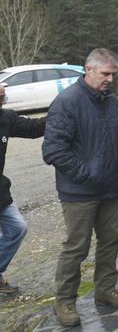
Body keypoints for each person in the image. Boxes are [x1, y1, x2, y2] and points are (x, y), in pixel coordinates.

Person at [42, 48, 118, 327]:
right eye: (105, 74)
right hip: (79, 192)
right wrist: (88, 174)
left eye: (113, 75)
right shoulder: (67, 102)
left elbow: (117, 137)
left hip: (109, 188)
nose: (110, 79)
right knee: (76, 247)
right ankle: (64, 302)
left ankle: (105, 290)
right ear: (88, 70)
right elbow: (53, 150)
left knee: (111, 240)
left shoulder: (111, 102)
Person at [0, 83, 45, 295]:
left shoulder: (5, 118)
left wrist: (62, 111)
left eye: (2, 98)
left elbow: (34, 128)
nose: (1, 101)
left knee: (17, 228)